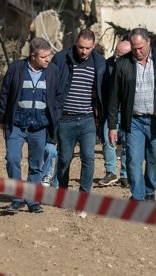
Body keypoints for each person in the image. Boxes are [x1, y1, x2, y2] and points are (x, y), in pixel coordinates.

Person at [107, 28, 156, 201]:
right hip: (134, 121)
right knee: (133, 160)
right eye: (133, 48)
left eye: (140, 47)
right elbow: (113, 98)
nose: (137, 51)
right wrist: (112, 126)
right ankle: (138, 196)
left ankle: (149, 192)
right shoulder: (122, 64)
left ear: (148, 42)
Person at [0, 37, 61, 213]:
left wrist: (55, 118)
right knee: (12, 159)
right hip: (17, 124)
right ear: (33, 56)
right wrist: (2, 119)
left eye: (49, 55)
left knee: (36, 165)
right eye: (44, 57)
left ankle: (33, 201)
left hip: (40, 126)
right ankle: (17, 198)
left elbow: (58, 97)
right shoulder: (16, 68)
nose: (48, 59)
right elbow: (4, 94)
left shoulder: (53, 71)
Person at [52, 29, 106, 193]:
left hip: (87, 119)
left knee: (88, 158)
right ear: (76, 42)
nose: (83, 51)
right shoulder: (62, 58)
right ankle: (62, 190)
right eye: (81, 47)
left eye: (87, 48)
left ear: (93, 46)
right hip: (65, 119)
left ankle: (84, 194)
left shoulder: (99, 62)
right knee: (64, 158)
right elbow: (52, 84)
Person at [97, 40, 131, 187]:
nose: (116, 57)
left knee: (127, 143)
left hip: (129, 111)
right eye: (115, 53)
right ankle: (110, 172)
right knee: (108, 139)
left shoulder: (135, 66)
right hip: (111, 110)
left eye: (120, 55)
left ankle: (125, 175)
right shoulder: (108, 64)